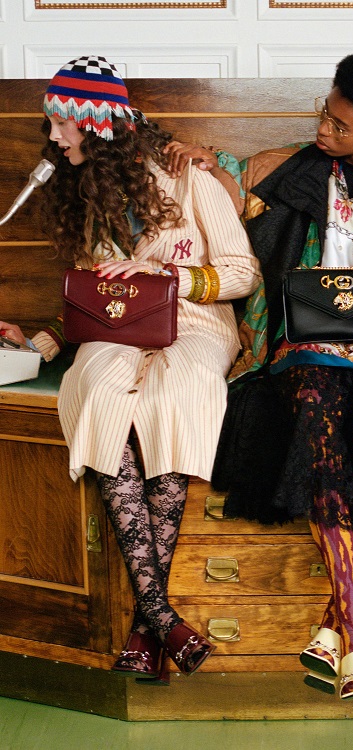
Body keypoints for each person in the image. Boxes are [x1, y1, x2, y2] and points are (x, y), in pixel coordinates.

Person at [166, 50, 353, 699]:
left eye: (338, 123)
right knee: (315, 402)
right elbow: (228, 185)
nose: (322, 128)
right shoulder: (281, 170)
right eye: (324, 112)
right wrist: (203, 161)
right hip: (299, 346)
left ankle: (340, 625)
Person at [0, 56, 261, 681]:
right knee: (98, 390)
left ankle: (146, 624)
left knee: (182, 391)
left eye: (63, 123)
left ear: (96, 124)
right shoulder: (84, 192)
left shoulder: (189, 177)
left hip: (195, 323)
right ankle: (162, 619)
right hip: (114, 333)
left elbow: (243, 273)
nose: (54, 137)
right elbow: (90, 298)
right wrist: (39, 343)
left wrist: (165, 275)